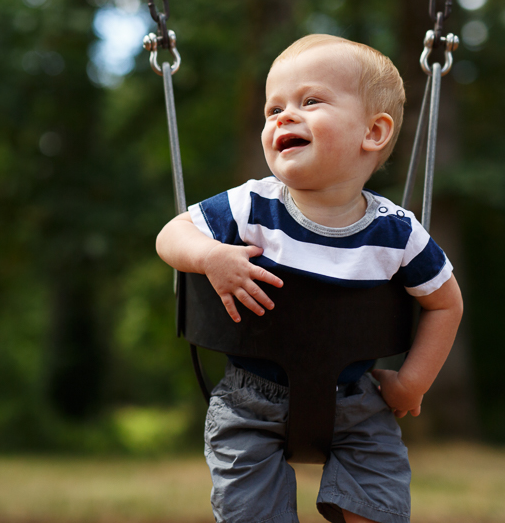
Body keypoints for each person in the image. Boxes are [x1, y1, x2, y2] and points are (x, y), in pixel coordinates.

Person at [155, 34, 463, 523]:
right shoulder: (252, 205)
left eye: (310, 101)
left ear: (374, 132)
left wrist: (412, 382)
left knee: (378, 510)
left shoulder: (398, 231)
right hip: (249, 402)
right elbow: (172, 234)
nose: (283, 116)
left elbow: (446, 304)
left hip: (359, 401)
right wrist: (211, 255)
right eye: (272, 108)